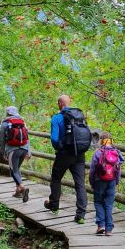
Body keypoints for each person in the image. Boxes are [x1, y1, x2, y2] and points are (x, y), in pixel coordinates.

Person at [44, 95, 92, 223]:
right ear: (69, 103)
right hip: (79, 153)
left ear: (59, 103)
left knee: (56, 178)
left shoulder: (57, 118)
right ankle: (81, 215)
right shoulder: (79, 116)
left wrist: (60, 146)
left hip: (64, 154)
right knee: (80, 183)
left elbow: (54, 138)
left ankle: (54, 205)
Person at [89, 132, 124, 236]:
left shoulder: (98, 152)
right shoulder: (116, 152)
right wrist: (116, 181)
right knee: (108, 204)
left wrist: (92, 182)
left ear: (101, 141)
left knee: (98, 202)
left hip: (99, 180)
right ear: (111, 141)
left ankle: (101, 226)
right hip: (111, 181)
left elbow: (92, 170)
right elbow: (118, 170)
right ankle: (109, 229)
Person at [0, 106, 31, 202]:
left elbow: (2, 140)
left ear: (7, 113)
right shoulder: (22, 122)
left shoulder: (5, 124)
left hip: (13, 150)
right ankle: (18, 192)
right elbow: (27, 137)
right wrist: (28, 151)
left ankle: (22, 187)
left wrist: (3, 152)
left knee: (13, 170)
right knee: (17, 170)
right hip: (24, 149)